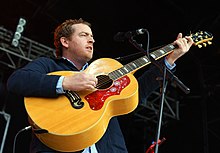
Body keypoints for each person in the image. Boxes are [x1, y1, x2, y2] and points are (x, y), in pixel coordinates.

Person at [7, 18, 194, 153]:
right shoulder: (48, 65)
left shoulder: (104, 69)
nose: (92, 40)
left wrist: (169, 60)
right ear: (65, 41)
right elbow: (17, 81)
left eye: (92, 36)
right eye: (83, 35)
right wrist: (65, 82)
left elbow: (137, 95)